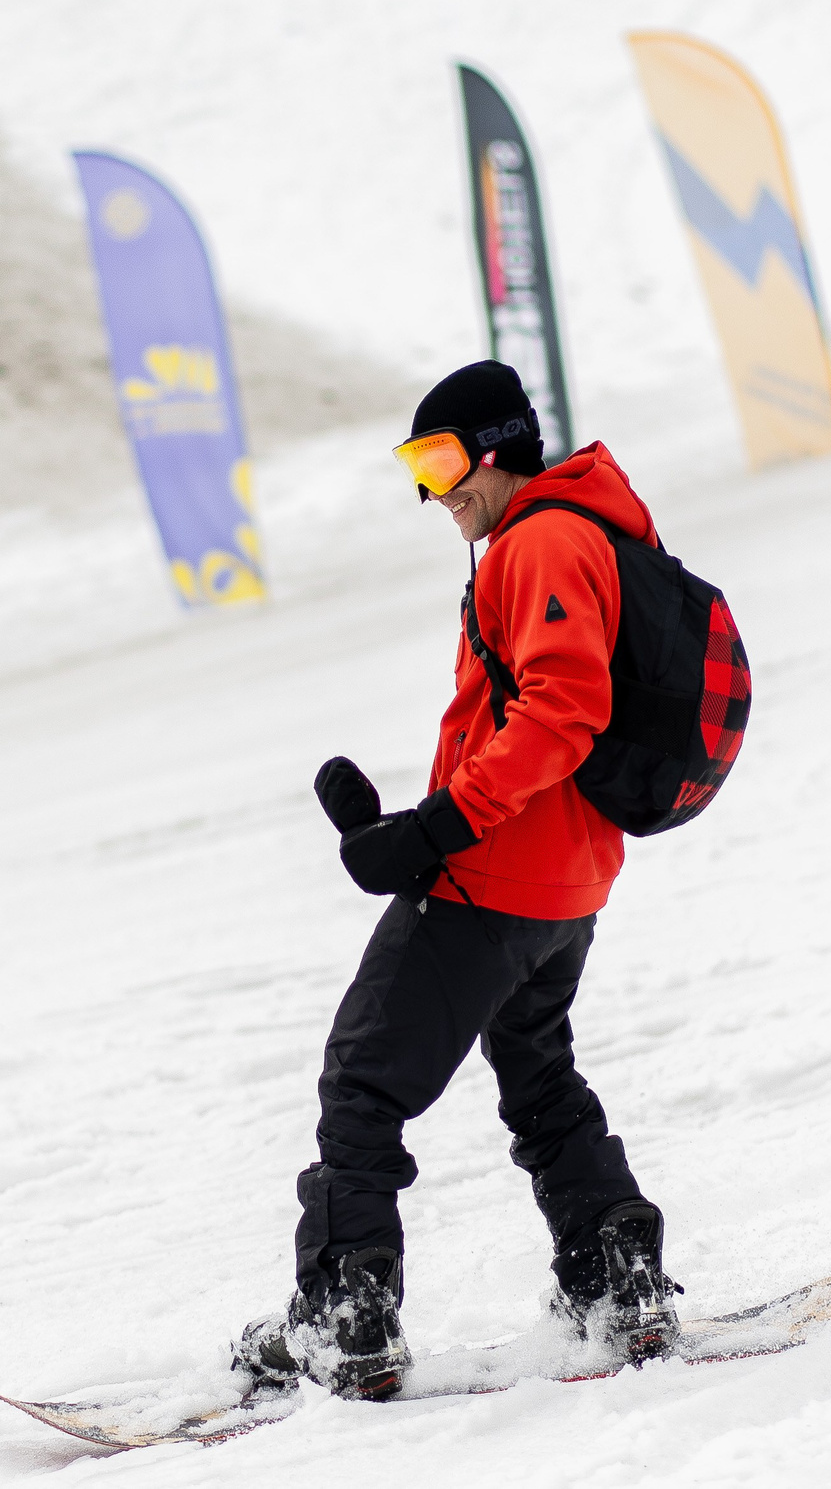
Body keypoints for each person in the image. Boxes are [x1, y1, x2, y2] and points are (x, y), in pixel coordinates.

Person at [234, 362, 679, 1401]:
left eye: (439, 461)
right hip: (563, 884)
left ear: (499, 443)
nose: (435, 493)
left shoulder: (543, 540)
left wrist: (436, 827)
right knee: (539, 1080)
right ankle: (616, 1279)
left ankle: (347, 1320)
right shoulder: (575, 533)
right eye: (415, 469)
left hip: (497, 881)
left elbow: (562, 713)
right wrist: (412, 824)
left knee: (360, 1088)